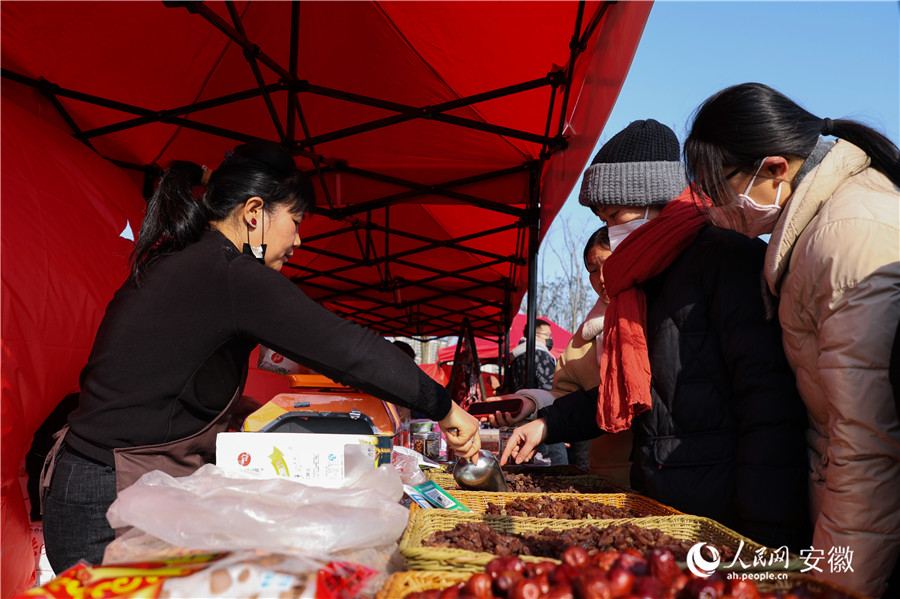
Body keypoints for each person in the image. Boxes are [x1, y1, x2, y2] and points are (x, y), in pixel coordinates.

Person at [41, 141, 481, 573]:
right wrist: (443, 405)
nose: (299, 239)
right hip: (108, 497)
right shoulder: (229, 274)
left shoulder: (183, 261)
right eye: (295, 219)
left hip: (91, 482)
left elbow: (161, 379)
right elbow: (345, 348)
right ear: (254, 214)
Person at [500, 119, 810, 552]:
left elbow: (769, 406)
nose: (611, 233)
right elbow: (631, 393)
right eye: (604, 221)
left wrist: (765, 538)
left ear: (654, 202)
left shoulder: (726, 261)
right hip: (665, 506)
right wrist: (547, 424)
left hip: (727, 516)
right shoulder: (643, 284)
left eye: (615, 216)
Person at [684, 82, 900, 598]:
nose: (715, 207)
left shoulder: (848, 235)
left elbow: (866, 435)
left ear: (776, 168)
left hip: (867, 529)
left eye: (720, 188)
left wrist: (837, 584)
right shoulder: (814, 233)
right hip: (845, 510)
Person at [482, 227, 632, 483]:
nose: (602, 278)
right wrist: (529, 402)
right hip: (608, 469)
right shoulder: (584, 336)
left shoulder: (647, 319)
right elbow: (567, 393)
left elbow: (622, 395)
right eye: (593, 270)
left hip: (652, 467)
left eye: (609, 263)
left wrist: (547, 423)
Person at [502, 320, 567, 465]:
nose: (550, 339)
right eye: (547, 335)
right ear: (535, 335)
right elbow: (550, 389)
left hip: (521, 422)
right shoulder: (541, 356)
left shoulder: (516, 359)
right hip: (544, 423)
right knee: (557, 466)